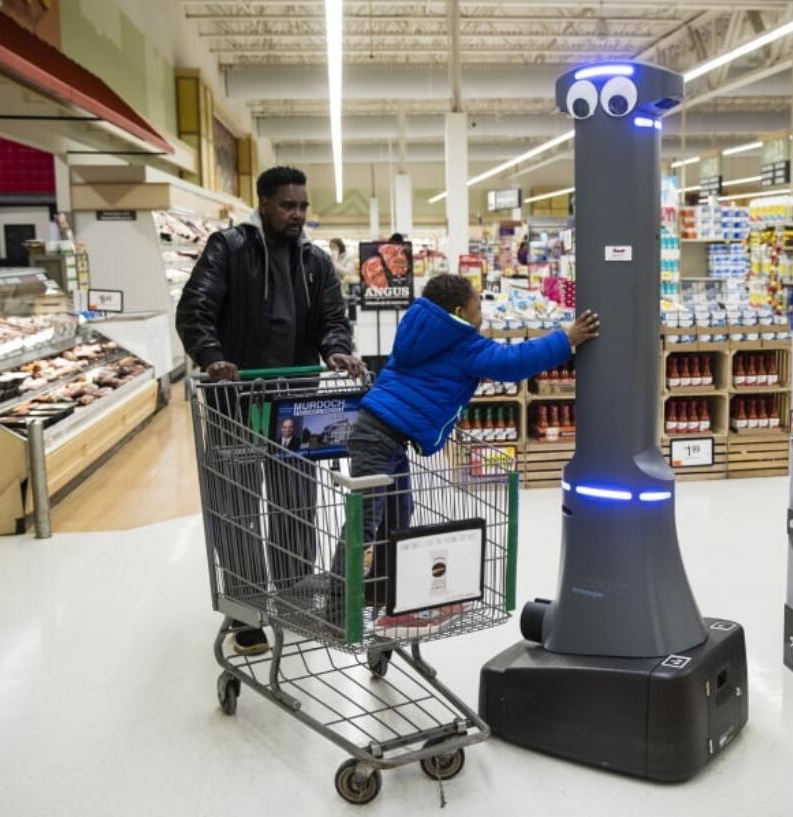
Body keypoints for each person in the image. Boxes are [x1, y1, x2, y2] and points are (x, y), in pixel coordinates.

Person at [339, 274, 600, 637]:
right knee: (365, 519)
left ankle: (379, 589)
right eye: (479, 306)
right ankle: (339, 601)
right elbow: (515, 361)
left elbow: (434, 373)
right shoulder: (466, 346)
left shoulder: (418, 329)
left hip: (382, 431)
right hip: (384, 436)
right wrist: (566, 339)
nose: (483, 312)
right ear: (460, 312)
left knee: (397, 514)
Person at [177, 165, 365, 656]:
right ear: (263, 203)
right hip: (234, 401)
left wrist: (336, 349)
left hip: (295, 403)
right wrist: (212, 356)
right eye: (288, 205)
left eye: (302, 205)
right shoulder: (230, 248)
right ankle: (245, 611)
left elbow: (331, 318)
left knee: (295, 501)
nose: (298, 214)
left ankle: (294, 593)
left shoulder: (315, 261)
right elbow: (194, 308)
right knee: (237, 508)